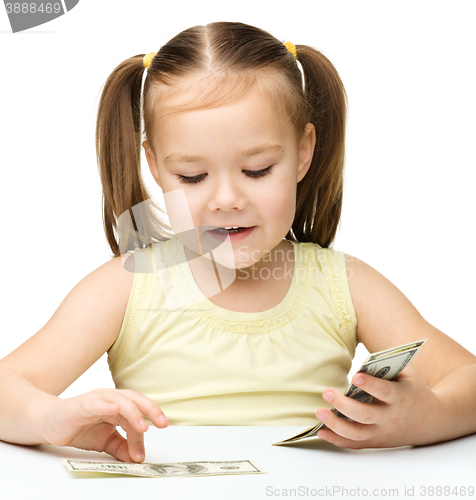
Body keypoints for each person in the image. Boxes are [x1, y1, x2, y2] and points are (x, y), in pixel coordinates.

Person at [0, 21, 475, 464]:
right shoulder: (127, 286)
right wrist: (50, 417)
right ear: (156, 167)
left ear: (303, 151)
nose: (227, 199)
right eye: (192, 175)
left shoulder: (344, 283)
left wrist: (429, 417)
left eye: (257, 170)